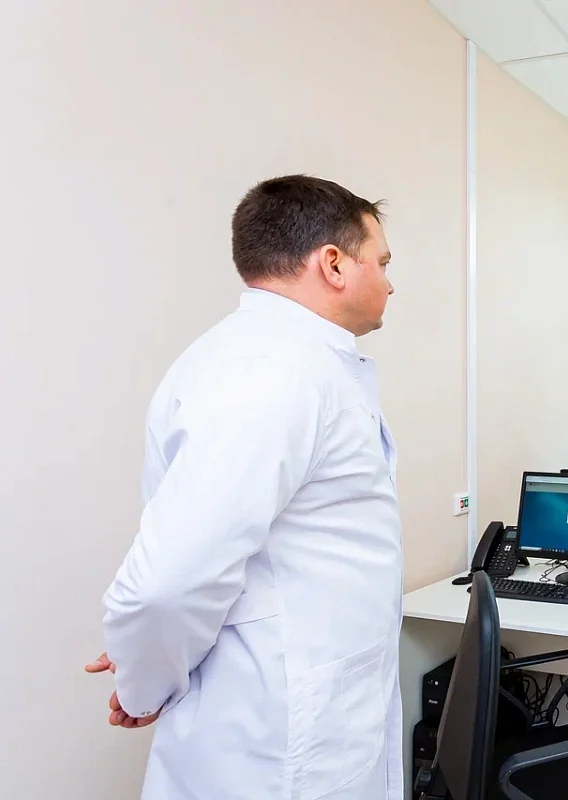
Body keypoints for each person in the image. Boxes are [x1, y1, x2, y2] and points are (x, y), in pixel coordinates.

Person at [85, 175, 405, 799]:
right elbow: (167, 583)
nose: (390, 283)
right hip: (277, 736)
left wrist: (147, 663)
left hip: (306, 707)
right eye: (383, 262)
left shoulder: (287, 362)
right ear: (334, 264)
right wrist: (144, 682)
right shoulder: (273, 371)